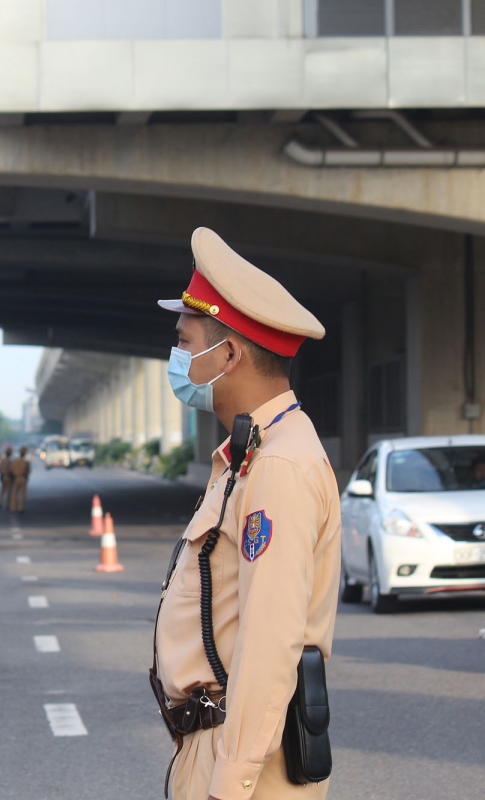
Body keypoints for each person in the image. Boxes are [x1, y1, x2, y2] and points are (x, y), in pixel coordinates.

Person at [150, 227, 340, 800]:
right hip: (221, 744)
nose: (177, 357)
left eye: (185, 342)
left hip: (245, 764)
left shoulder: (279, 467)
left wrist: (228, 786)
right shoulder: (251, 454)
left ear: (228, 354)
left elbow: (270, 640)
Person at [8, 447, 30, 512]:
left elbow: (11, 470)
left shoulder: (15, 461)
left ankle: (13, 507)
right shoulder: (25, 462)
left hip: (16, 478)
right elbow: (28, 471)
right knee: (22, 494)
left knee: (14, 494)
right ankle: (21, 508)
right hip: (23, 478)